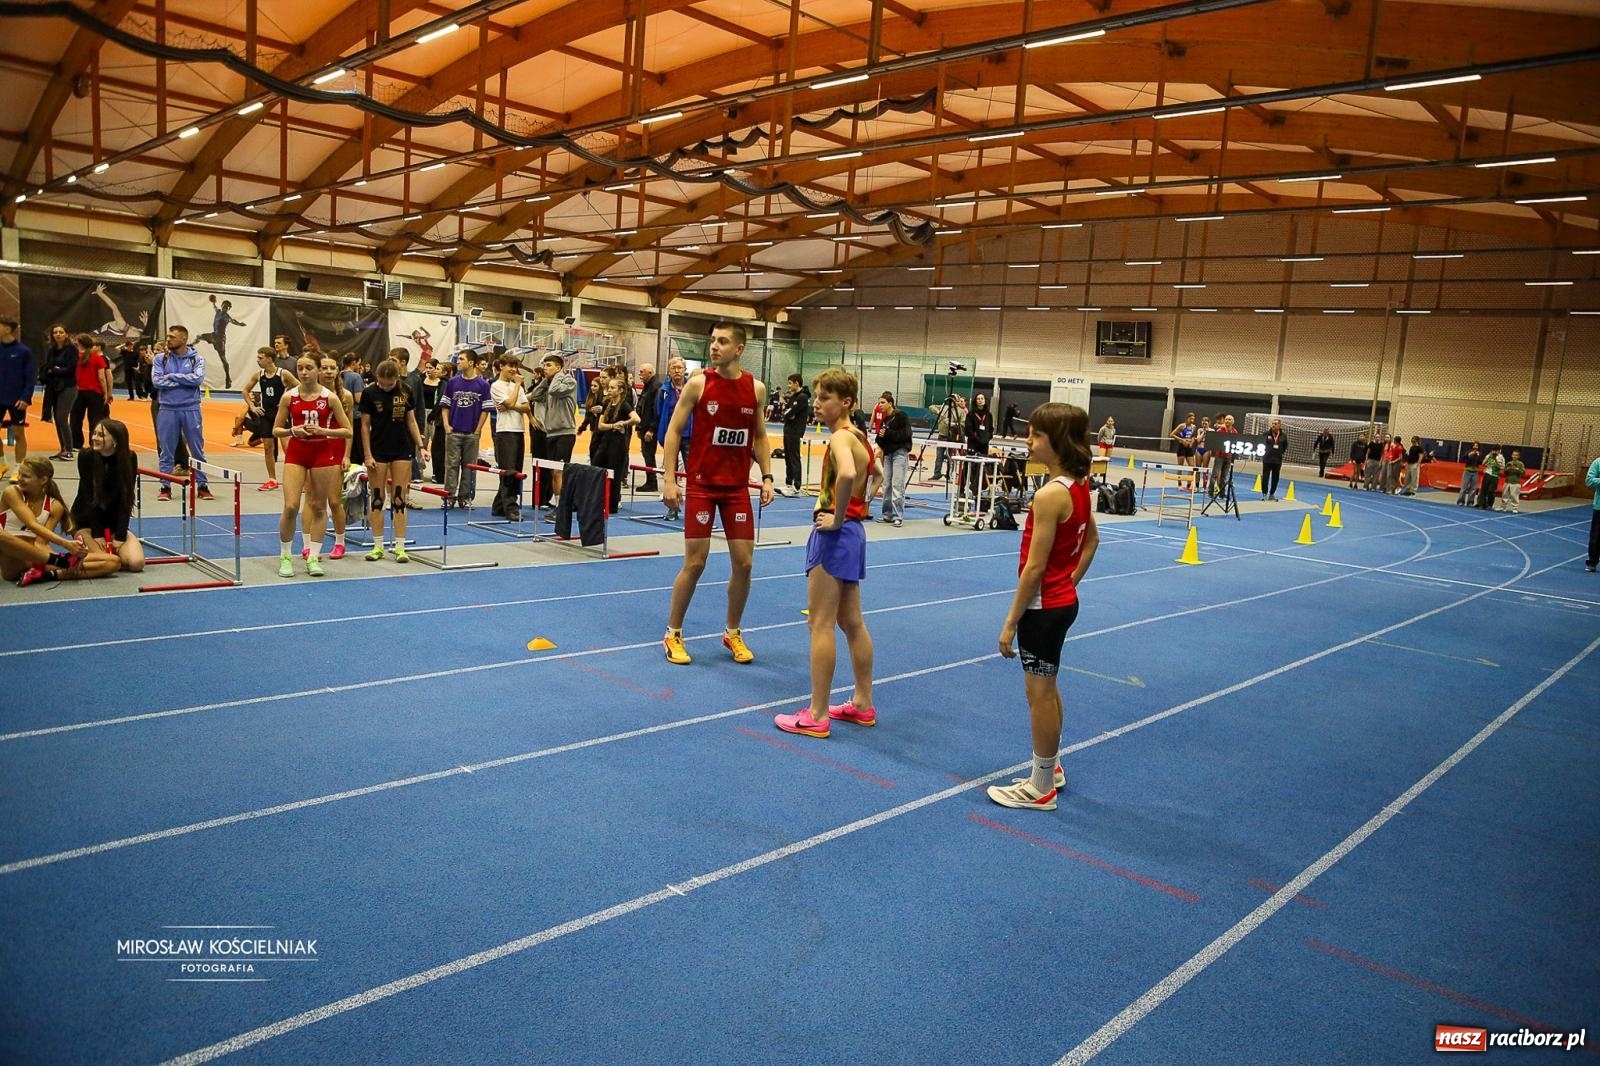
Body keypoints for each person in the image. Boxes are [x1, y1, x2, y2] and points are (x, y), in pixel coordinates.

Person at [988, 402, 1099, 811]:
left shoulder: (1049, 495)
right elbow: (1091, 543)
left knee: (1039, 696)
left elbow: (1034, 568)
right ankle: (1050, 769)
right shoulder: (1080, 485)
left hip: (1042, 609)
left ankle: (1040, 788)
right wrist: (1067, 584)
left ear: (1059, 442)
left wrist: (1010, 622)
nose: (1028, 441)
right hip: (1061, 603)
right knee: (1048, 691)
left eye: (1036, 435)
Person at [660, 322, 775, 666]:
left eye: (722, 342)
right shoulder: (698, 383)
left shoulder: (755, 388)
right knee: (695, 562)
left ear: (739, 349)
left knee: (745, 563)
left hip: (737, 488)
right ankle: (673, 633)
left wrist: (767, 476)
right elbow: (673, 431)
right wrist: (669, 479)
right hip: (702, 486)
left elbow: (759, 436)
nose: (714, 347)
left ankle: (732, 632)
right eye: (712, 340)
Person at [774, 368, 876, 739]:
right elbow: (875, 472)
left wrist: (838, 516)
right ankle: (862, 703)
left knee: (819, 623)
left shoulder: (840, 440)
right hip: (855, 534)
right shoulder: (860, 437)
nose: (817, 403)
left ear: (845, 402)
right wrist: (859, 507)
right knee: (852, 623)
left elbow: (847, 475)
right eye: (816, 396)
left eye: (824, 398)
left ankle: (817, 713)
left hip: (836, 535)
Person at [273, 354, 352, 577]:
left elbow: (347, 430)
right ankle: (285, 556)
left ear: (317, 370)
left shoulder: (330, 398)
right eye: (300, 368)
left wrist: (324, 431)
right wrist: (291, 431)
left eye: (309, 368)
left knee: (319, 506)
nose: (304, 372)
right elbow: (275, 429)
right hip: (297, 452)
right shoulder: (289, 397)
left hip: (322, 452)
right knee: (291, 506)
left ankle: (314, 557)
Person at [2, 457, 120, 585]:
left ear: (43, 480)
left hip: (37, 557)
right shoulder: (12, 492)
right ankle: (62, 561)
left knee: (114, 562)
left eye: (25, 476)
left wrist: (79, 552)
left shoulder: (54, 506)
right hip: (11, 562)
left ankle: (48, 575)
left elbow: (41, 542)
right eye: (19, 474)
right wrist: (66, 545)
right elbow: (32, 524)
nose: (19, 478)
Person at [360, 357, 427, 561]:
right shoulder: (369, 392)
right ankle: (377, 545)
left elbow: (412, 420)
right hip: (378, 450)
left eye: (389, 384)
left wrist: (421, 447)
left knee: (399, 499)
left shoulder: (406, 390)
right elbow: (364, 426)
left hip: (401, 449)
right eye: (381, 382)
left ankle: (400, 547)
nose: (385, 387)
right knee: (377, 499)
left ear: (397, 378)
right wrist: (367, 454)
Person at [70, 418, 145, 574]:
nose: (94, 438)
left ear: (116, 441)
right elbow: (89, 496)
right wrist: (97, 534)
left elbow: (127, 499)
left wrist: (120, 535)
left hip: (113, 522)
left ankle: (102, 552)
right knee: (109, 562)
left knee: (136, 563)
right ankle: (81, 547)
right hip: (87, 521)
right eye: (94, 433)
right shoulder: (86, 456)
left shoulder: (129, 458)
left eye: (101, 435)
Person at [152, 325, 212, 501]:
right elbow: (157, 382)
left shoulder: (197, 360)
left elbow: (197, 379)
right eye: (168, 336)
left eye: (172, 337)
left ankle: (202, 485)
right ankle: (165, 487)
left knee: (197, 449)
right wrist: (184, 381)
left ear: (184, 339)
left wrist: (171, 376)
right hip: (167, 409)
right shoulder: (160, 359)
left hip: (191, 408)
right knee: (166, 451)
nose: (168, 339)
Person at [238, 346, 297, 490]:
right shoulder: (259, 375)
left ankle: (296, 479)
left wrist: (286, 399)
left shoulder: (283, 374)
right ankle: (272, 479)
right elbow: (245, 390)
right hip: (265, 414)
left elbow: (299, 387)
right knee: (267, 448)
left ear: (270, 359)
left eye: (260, 358)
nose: (258, 360)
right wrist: (252, 406)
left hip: (280, 415)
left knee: (288, 448)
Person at [527, 353, 576, 511]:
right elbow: (535, 395)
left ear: (559, 367)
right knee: (552, 472)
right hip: (551, 434)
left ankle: (562, 506)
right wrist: (545, 379)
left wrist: (556, 377)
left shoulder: (569, 381)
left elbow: (555, 390)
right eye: (544, 365)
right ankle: (557, 503)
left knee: (558, 472)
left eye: (549, 366)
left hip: (565, 433)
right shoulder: (549, 383)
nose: (545, 368)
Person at [442, 352, 491, 509]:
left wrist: (477, 430)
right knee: (451, 465)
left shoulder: (483, 385)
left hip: (472, 434)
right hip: (454, 432)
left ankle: (465, 497)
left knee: (469, 466)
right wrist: (446, 426)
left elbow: (485, 409)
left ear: (471, 363)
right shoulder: (452, 382)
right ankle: (449, 496)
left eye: (462, 359)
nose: (458, 361)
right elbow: (445, 406)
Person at [487, 354, 529, 521]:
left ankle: (498, 506)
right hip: (505, 431)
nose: (513, 369)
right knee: (509, 470)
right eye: (509, 366)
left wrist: (513, 404)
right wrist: (517, 386)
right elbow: (510, 403)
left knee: (515, 470)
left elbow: (525, 407)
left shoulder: (517, 387)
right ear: (501, 367)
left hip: (519, 430)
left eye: (515, 366)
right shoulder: (496, 386)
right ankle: (511, 507)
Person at [590, 373, 638, 512]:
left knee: (614, 474)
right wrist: (613, 426)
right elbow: (601, 425)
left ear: (620, 390)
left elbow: (636, 419)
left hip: (618, 444)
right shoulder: (608, 404)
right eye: (609, 388)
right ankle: (597, 499)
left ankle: (612, 504)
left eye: (612, 388)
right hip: (605, 442)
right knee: (596, 467)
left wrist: (624, 423)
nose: (609, 390)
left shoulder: (624, 405)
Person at [653, 357, 691, 516]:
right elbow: (658, 412)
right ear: (668, 371)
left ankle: (695, 506)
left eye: (680, 368)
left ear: (684, 370)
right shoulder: (663, 391)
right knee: (671, 473)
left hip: (690, 436)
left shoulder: (693, 388)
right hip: (671, 437)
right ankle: (672, 508)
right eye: (673, 368)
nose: (677, 370)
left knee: (693, 471)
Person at [0, 318, 35, 481]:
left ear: (7, 329)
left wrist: (26, 397)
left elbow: (30, 377)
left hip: (17, 399)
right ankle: (2, 463)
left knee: (19, 434)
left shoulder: (23, 351)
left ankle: (18, 467)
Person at [68, 333, 113, 453]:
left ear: (78, 344)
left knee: (76, 419)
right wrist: (106, 393)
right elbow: (102, 377)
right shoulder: (97, 358)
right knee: (95, 419)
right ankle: (94, 443)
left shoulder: (74, 357)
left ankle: (76, 443)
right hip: (94, 392)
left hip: (77, 392)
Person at [875, 392, 912, 527]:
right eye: (879, 403)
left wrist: (888, 433)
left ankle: (898, 516)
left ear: (890, 403)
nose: (880, 405)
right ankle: (887, 514)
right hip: (888, 455)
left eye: (882, 402)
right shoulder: (885, 420)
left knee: (897, 485)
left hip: (899, 454)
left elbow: (906, 435)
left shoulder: (902, 416)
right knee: (886, 485)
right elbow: (879, 437)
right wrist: (881, 438)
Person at [194, 296, 246, 389]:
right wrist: (213, 302)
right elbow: (215, 307)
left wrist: (239, 324)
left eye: (228, 307)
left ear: (229, 309)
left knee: (223, 359)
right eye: (225, 306)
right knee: (198, 337)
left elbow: (232, 321)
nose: (226, 308)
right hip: (213, 335)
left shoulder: (227, 316)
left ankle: (228, 378)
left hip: (220, 339)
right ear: (222, 305)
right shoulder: (218, 312)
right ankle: (191, 345)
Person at [41, 323, 76, 459]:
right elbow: (48, 367)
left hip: (68, 386)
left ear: (66, 334)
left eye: (61, 332)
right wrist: (51, 370)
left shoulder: (71, 350)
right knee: (57, 418)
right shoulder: (52, 350)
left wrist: (55, 370)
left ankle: (69, 450)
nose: (58, 334)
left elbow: (71, 369)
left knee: (62, 417)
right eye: (55, 332)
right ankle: (63, 449)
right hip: (54, 387)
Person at [779, 373, 810, 497]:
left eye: (790, 383)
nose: (788, 385)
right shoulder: (793, 397)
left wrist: (788, 413)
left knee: (794, 458)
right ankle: (788, 483)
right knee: (788, 457)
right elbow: (785, 412)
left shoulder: (802, 397)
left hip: (795, 431)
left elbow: (790, 412)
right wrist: (788, 413)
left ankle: (796, 486)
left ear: (797, 383)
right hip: (788, 429)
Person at [635, 362, 662, 492]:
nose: (640, 374)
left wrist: (651, 429)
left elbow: (655, 410)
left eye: (642, 372)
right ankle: (650, 480)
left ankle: (652, 482)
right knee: (647, 454)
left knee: (649, 455)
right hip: (645, 426)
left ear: (650, 373)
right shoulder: (648, 386)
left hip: (650, 428)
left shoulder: (656, 387)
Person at [961, 393, 993, 499]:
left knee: (982, 467)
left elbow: (990, 429)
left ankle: (976, 489)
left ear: (985, 400)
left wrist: (987, 438)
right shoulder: (971, 414)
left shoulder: (989, 415)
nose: (980, 400)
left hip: (984, 445)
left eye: (982, 398)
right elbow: (968, 430)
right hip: (973, 444)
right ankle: (962, 488)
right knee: (967, 466)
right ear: (975, 401)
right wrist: (977, 438)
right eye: (978, 398)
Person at [1261, 418, 1288, 501]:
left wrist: (1278, 453)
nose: (1273, 425)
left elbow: (1285, 447)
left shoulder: (1283, 436)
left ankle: (1272, 494)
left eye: (1275, 424)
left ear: (1279, 425)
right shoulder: (1266, 434)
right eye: (1273, 423)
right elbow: (1261, 444)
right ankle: (1264, 494)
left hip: (1277, 460)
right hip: (1267, 460)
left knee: (1275, 478)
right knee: (1265, 477)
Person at [1585, 453, 1600, 572]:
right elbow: (1589, 481)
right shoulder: (1597, 463)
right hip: (1599, 507)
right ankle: (1592, 562)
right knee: (1596, 537)